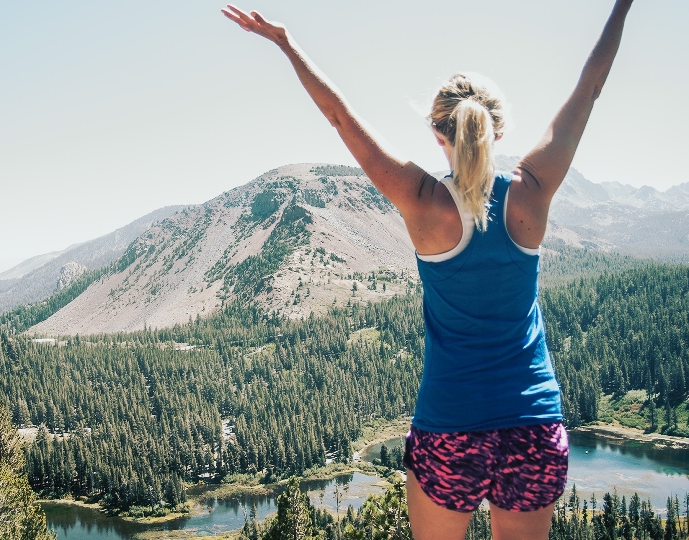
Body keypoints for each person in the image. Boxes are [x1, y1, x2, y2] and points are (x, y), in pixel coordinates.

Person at [222, 2, 633, 539]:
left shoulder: (423, 201)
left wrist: (285, 42)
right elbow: (590, 87)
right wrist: (623, 4)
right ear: (497, 132)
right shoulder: (532, 192)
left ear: (440, 134)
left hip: (451, 425)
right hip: (533, 423)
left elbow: (340, 117)